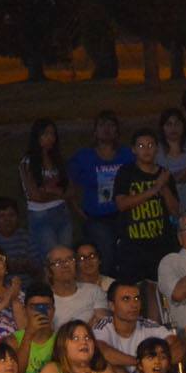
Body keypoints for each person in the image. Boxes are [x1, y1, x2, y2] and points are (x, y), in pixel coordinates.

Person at [112, 129, 180, 289]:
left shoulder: (164, 174)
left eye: (150, 145)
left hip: (161, 242)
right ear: (134, 149)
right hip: (133, 244)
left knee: (159, 288)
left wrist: (163, 188)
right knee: (133, 288)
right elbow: (122, 204)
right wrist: (154, 189)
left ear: (157, 148)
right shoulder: (126, 172)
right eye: (141, 146)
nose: (146, 149)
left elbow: (175, 210)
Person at [67, 112, 129, 275]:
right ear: (95, 131)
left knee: (126, 254)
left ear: (117, 130)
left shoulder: (127, 155)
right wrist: (77, 209)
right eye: (102, 125)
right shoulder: (83, 157)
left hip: (123, 213)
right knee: (105, 253)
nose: (106, 129)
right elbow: (68, 184)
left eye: (111, 125)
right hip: (96, 217)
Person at [92, 281, 174, 373]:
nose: (134, 304)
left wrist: (157, 362)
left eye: (136, 299)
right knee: (111, 366)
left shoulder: (148, 325)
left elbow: (175, 344)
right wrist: (141, 363)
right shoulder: (104, 326)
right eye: (126, 299)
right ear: (112, 306)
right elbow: (102, 351)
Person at [20, 118, 72, 257]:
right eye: (45, 134)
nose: (50, 138)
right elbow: (35, 195)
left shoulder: (58, 160)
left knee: (66, 255)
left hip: (61, 211)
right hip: (41, 214)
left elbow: (68, 190)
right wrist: (57, 193)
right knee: (52, 257)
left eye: (52, 134)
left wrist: (50, 191)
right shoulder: (28, 162)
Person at [0, 198, 42, 281]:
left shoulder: (26, 237)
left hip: (26, 287)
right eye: (2, 216)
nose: (7, 220)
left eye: (11, 215)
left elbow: (37, 267)